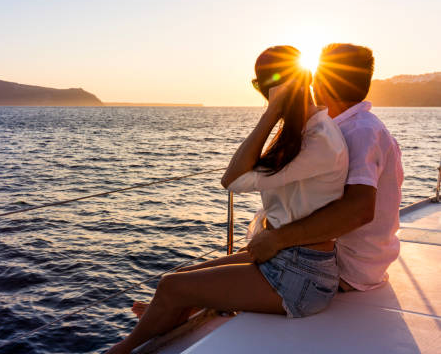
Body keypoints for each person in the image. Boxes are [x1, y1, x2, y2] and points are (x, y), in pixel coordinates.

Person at [106, 46, 349, 354]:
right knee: (181, 279)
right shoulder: (305, 131)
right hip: (287, 260)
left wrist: (272, 112)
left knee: (171, 286)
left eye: (262, 87)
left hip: (301, 278)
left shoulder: (318, 140)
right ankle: (166, 321)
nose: (262, 94)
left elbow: (231, 180)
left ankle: (120, 350)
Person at [246, 44, 404, 293]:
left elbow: (359, 210)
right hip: (340, 259)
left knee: (188, 286)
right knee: (195, 279)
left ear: (322, 80)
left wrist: (278, 239)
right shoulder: (349, 127)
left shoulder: (361, 131)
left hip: (344, 267)